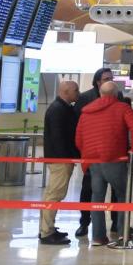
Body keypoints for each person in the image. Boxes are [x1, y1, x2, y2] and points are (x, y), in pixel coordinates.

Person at [75, 80, 133, 247]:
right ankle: (122, 234)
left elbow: (79, 138)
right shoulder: (122, 108)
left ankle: (98, 237)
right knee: (122, 195)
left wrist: (88, 153)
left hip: (93, 161)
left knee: (96, 197)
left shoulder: (86, 111)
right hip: (115, 159)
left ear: (100, 93)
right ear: (116, 94)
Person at [73, 68, 125, 237]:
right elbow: (78, 127)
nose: (110, 80)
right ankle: (84, 222)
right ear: (97, 81)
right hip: (92, 155)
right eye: (106, 78)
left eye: (111, 78)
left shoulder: (118, 96)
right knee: (89, 190)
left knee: (116, 191)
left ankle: (116, 223)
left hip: (114, 154)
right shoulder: (85, 98)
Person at [39, 80, 80, 245]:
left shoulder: (63, 108)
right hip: (60, 159)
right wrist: (67, 158)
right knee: (55, 194)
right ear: (66, 91)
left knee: (53, 194)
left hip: (60, 158)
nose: (78, 93)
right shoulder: (58, 110)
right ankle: (46, 232)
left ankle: (47, 227)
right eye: (75, 90)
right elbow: (58, 138)